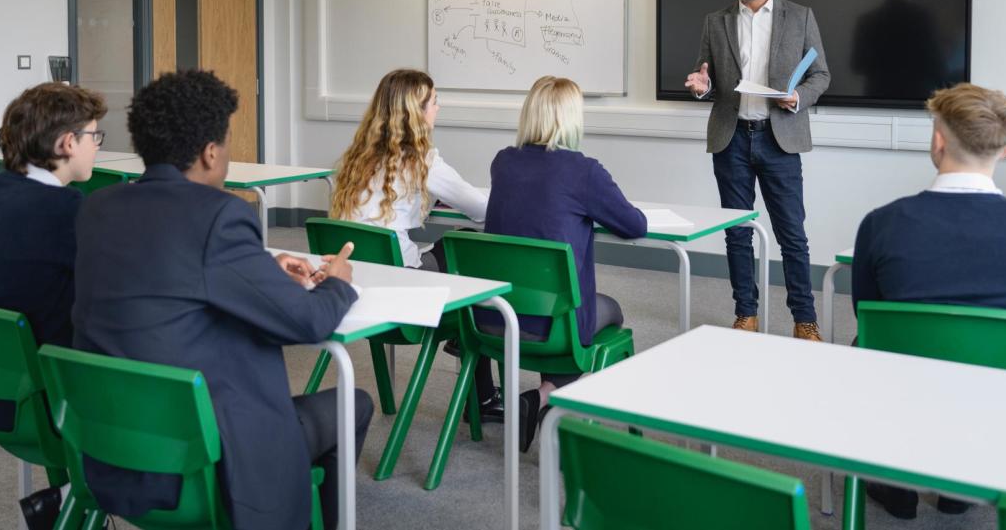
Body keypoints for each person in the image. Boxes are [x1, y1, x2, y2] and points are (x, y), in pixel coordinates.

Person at [72, 70, 370, 530]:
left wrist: (262, 271)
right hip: (203, 452)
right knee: (355, 403)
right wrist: (339, 281)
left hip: (115, 441)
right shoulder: (220, 213)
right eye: (228, 144)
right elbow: (309, 322)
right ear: (210, 153)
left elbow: (168, 277)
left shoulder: (99, 207)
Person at [851, 82, 1006, 520]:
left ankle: (894, 484)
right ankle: (961, 482)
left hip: (900, 396)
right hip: (999, 402)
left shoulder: (881, 224)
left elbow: (865, 312)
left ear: (938, 140)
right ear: (1004, 150)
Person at [0, 82, 106, 530]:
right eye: (95, 137)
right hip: (44, 408)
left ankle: (71, 495)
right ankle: (75, 495)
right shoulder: (64, 209)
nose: (97, 147)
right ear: (66, 143)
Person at [480, 76, 646, 451]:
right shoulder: (583, 171)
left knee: (553, 299)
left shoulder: (503, 162)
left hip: (492, 320)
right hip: (550, 329)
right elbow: (634, 225)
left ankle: (541, 395)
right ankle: (544, 395)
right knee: (607, 310)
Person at [328, 68, 499, 419]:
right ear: (416, 113)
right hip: (399, 291)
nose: (439, 106)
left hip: (350, 288)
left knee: (449, 256)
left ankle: (478, 384)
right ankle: (480, 386)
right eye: (434, 101)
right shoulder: (424, 161)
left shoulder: (353, 159)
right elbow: (485, 210)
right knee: (466, 246)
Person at [685, 0, 831, 340]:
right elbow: (705, 77)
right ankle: (745, 314)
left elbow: (821, 75)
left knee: (792, 235)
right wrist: (701, 86)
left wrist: (799, 97)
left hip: (778, 138)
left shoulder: (799, 17)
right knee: (737, 232)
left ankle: (805, 320)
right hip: (731, 139)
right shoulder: (716, 21)